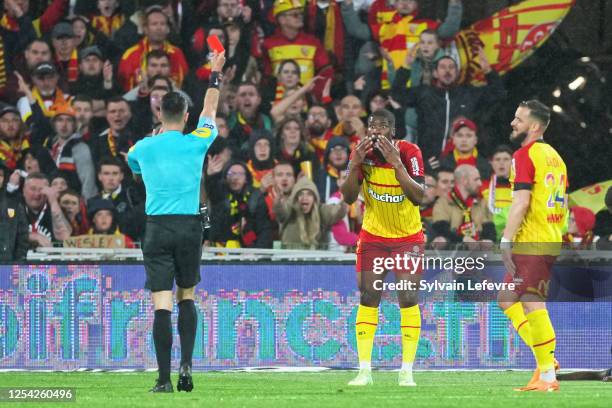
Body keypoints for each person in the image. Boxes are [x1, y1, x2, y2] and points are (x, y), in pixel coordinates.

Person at [127, 51, 225, 393]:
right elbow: (210, 111)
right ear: (185, 116)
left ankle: (164, 379)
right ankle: (186, 366)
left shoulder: (140, 148)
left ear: (159, 113)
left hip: (156, 228)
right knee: (187, 296)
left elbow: (136, 171)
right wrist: (215, 73)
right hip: (189, 228)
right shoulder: (196, 142)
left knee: (161, 302)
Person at [341, 108, 425, 386]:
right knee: (368, 296)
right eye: (372, 126)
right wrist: (354, 164)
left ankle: (406, 371)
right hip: (374, 236)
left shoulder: (410, 152)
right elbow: (349, 197)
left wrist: (396, 163)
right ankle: (364, 370)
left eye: (384, 126)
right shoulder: (361, 154)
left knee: (408, 299)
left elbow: (418, 197)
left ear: (394, 132)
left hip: (407, 238)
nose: (377, 130)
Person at [497, 100, 568, 392]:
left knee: (531, 302)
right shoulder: (555, 156)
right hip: (549, 235)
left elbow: (522, 202)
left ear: (534, 126)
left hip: (532, 240)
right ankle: (546, 360)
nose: (513, 123)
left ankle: (548, 375)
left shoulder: (524, 155)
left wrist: (506, 240)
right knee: (506, 298)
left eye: (519, 119)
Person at [0, 160, 29, 261]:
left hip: (6, 265)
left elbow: (23, 236)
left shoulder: (14, 205)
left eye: (0, 175)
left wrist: (18, 261)